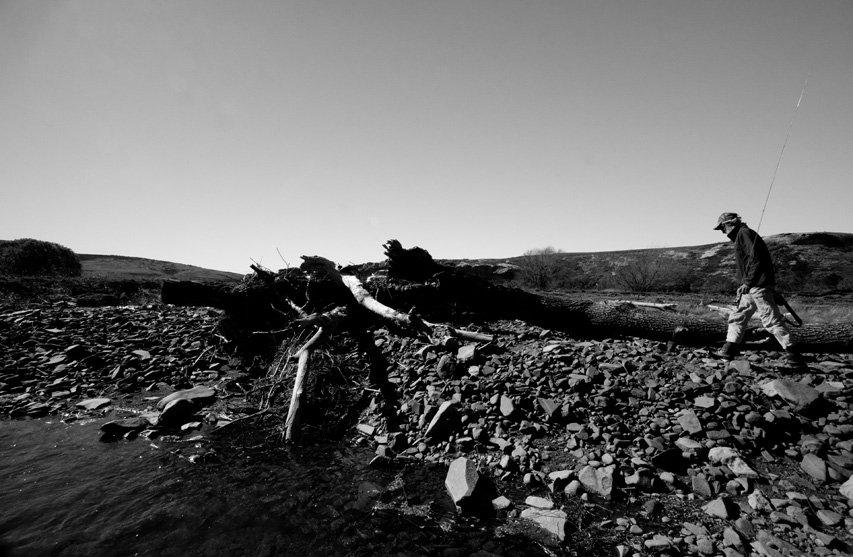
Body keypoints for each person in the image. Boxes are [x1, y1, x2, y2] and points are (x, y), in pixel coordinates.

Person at [712, 212, 805, 369]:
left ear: (728, 224)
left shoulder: (744, 233)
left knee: (771, 319)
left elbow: (756, 259)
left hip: (755, 286)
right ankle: (728, 350)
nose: (723, 231)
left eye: (722, 227)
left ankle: (794, 356)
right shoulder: (743, 234)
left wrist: (748, 282)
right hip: (750, 287)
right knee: (738, 315)